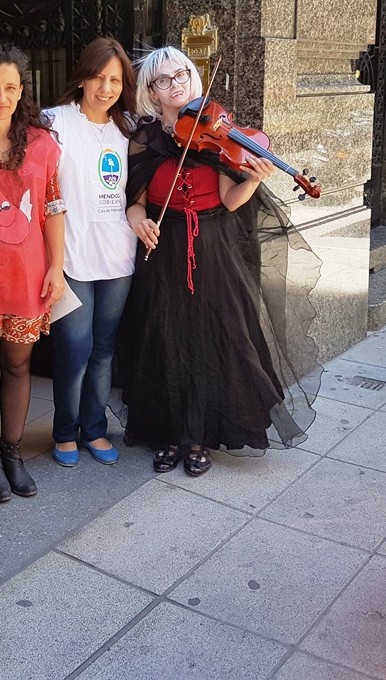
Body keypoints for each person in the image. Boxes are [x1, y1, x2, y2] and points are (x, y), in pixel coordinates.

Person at [119, 46, 320, 477]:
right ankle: (172, 432)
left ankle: (200, 437)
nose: (177, 85)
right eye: (164, 80)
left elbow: (231, 201)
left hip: (213, 245)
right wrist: (140, 223)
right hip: (164, 247)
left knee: (213, 336)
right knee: (166, 337)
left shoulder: (219, 135)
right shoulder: (144, 140)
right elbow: (134, 204)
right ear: (152, 93)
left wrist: (252, 179)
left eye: (184, 75)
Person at [0, 41, 67, 501]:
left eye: (9, 87)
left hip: (28, 273)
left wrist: (57, 267)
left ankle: (12, 453)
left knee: (18, 365)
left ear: (22, 90)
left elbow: (54, 206)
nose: (1, 97)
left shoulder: (42, 144)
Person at [43, 37, 139, 467]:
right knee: (74, 347)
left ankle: (94, 429)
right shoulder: (53, 121)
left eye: (115, 79)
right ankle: (65, 431)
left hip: (118, 254)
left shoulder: (131, 129)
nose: (106, 87)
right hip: (71, 256)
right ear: (82, 77)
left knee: (103, 348)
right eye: (98, 77)